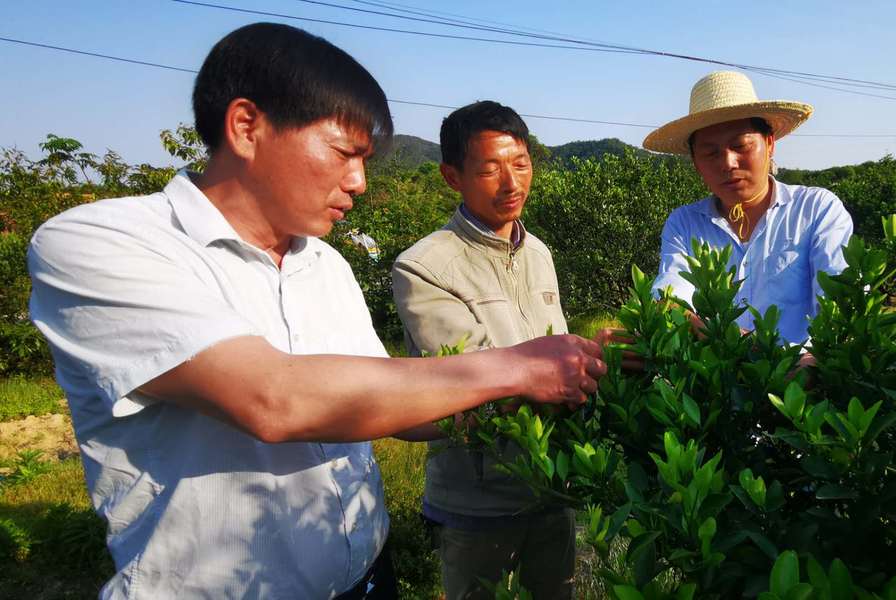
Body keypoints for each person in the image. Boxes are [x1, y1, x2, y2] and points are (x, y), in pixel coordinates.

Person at [25, 23, 604, 599]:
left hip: (368, 575)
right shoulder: (101, 242)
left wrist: (579, 377)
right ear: (247, 127)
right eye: (343, 153)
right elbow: (273, 398)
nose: (359, 182)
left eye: (366, 160)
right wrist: (521, 368)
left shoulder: (324, 264)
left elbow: (399, 410)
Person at [390, 101, 590, 600]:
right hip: (476, 500)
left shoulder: (539, 252)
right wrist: (582, 361)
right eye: (489, 169)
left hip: (552, 483)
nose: (511, 183)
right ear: (452, 176)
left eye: (520, 163)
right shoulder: (424, 266)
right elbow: (467, 388)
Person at [644, 71, 854, 347]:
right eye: (710, 152)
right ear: (695, 162)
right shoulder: (684, 223)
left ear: (769, 144)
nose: (728, 163)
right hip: (712, 385)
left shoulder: (816, 210)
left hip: (806, 378)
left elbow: (841, 308)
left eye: (740, 145)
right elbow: (670, 298)